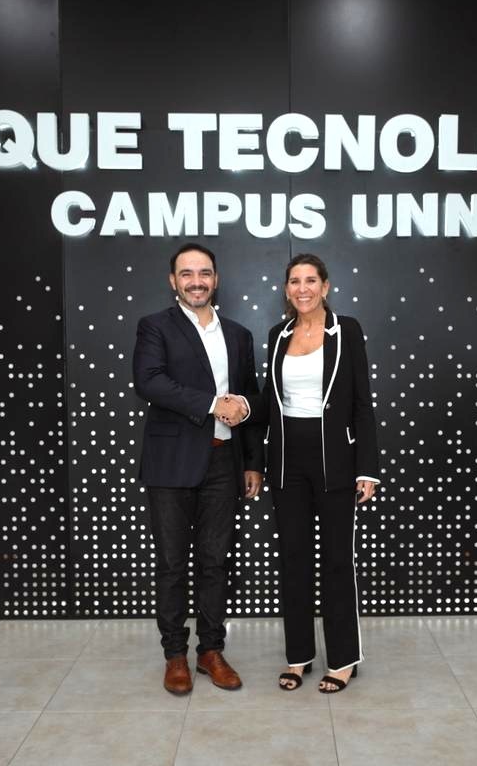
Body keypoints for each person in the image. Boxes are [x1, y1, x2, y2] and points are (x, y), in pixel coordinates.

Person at [244, 253, 380, 693]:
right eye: (294, 281)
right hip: (287, 460)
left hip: (336, 459)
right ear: (286, 289)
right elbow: (270, 402)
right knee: (294, 560)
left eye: (310, 280)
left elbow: (362, 402)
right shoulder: (278, 334)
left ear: (325, 286)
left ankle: (342, 660)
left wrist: (367, 468)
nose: (302, 289)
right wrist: (250, 442)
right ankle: (298, 656)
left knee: (338, 561)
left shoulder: (347, 330)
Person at [132, 242, 263, 695]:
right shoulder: (155, 327)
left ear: (216, 279)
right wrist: (212, 404)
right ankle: (175, 654)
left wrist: (252, 461)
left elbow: (250, 397)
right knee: (172, 564)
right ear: (173, 281)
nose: (196, 281)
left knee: (215, 562)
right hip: (171, 463)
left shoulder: (238, 334)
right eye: (186, 274)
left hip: (225, 462)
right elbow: (149, 382)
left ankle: (211, 651)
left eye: (204, 273)